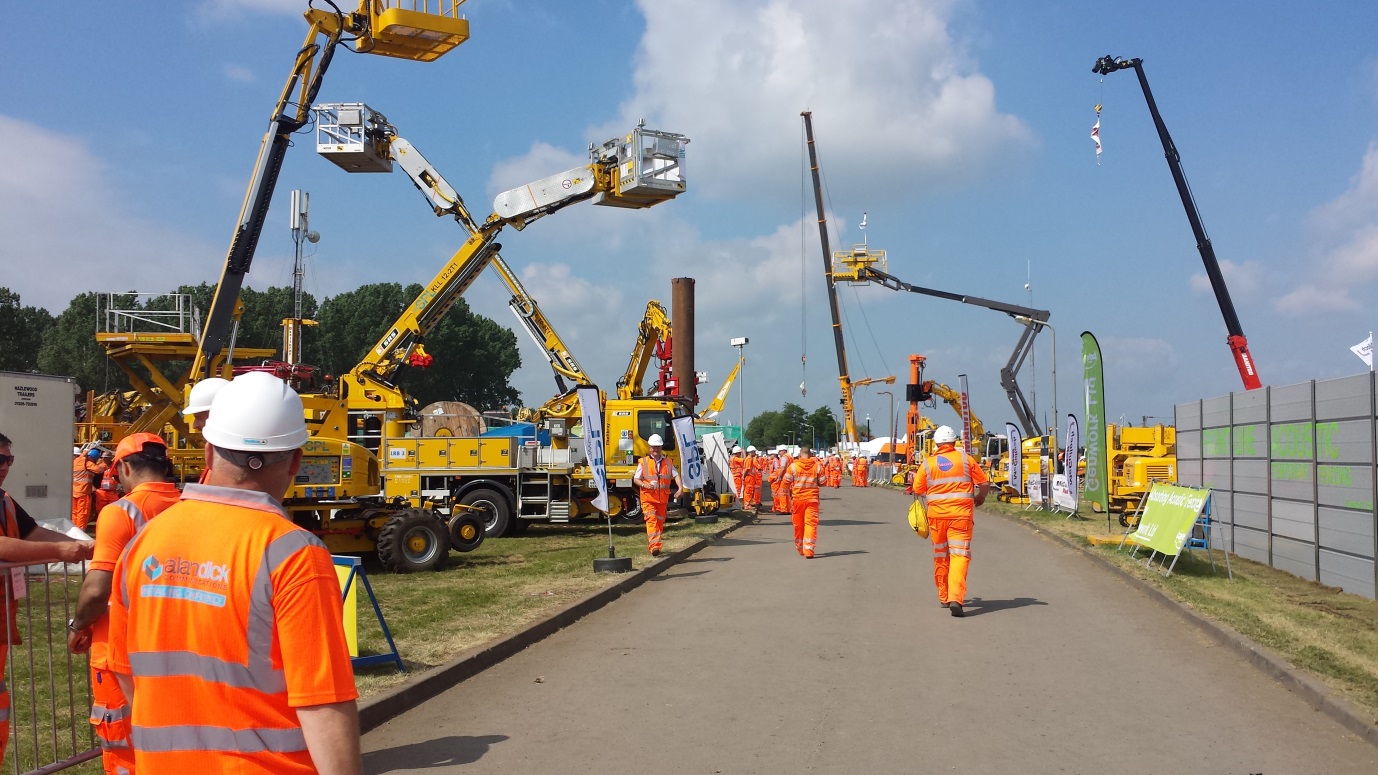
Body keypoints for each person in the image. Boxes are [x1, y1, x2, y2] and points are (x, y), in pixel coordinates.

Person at [106, 373, 361, 774]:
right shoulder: (293, 553)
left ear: (208, 452)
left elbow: (126, 674)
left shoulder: (143, 543)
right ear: (295, 460)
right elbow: (323, 703)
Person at [68, 432, 180, 775]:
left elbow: (98, 587)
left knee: (122, 740)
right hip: (178, 643)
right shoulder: (190, 507)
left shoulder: (122, 512)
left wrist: (79, 624)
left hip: (121, 646)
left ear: (125, 468)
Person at [0, 432, 96, 761]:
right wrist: (61, 549)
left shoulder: (4, 500)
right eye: (1, 459)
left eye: (9, 459)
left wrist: (84, 547)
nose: (6, 466)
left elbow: (31, 532)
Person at [908, 425, 989, 617]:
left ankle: (944, 597)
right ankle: (956, 598)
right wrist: (980, 497)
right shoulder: (965, 460)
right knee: (959, 556)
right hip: (961, 517)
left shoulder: (928, 463)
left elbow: (918, 490)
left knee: (941, 556)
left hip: (937, 518)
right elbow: (984, 483)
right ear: (954, 442)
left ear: (936, 443)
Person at [632, 434, 683, 557]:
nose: (656, 450)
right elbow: (636, 479)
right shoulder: (643, 462)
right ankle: (654, 547)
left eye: (658, 447)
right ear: (650, 448)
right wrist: (645, 485)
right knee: (651, 520)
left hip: (662, 500)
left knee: (659, 523)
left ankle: (657, 544)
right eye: (653, 447)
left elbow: (676, 475)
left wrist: (680, 488)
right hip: (648, 498)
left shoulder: (668, 462)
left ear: (661, 448)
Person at [782, 446, 823, 558]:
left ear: (800, 455)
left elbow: (785, 482)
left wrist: (786, 495)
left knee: (798, 525)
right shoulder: (817, 466)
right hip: (812, 500)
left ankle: (800, 547)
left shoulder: (793, 466)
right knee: (810, 524)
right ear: (810, 455)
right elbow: (823, 482)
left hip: (797, 500)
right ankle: (808, 550)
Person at [72, 448, 107, 531]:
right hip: (83, 492)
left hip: (74, 492)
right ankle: (81, 532)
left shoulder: (74, 462)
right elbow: (99, 470)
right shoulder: (86, 463)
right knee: (82, 513)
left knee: (74, 513)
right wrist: (104, 465)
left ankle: (73, 530)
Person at [742, 447, 763, 512]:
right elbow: (747, 469)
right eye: (754, 451)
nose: (755, 453)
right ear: (751, 452)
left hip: (749, 477)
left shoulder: (749, 459)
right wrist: (743, 476)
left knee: (748, 491)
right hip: (749, 477)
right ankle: (747, 505)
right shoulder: (749, 459)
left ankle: (747, 504)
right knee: (748, 491)